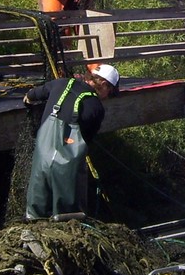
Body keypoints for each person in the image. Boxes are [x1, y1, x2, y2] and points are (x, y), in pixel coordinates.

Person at [24, 64, 120, 219]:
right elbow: (85, 142)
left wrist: (28, 98)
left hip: (41, 165)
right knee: (67, 217)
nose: (109, 96)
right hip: (67, 171)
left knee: (36, 212)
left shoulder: (62, 83)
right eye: (111, 92)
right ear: (103, 85)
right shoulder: (96, 108)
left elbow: (34, 94)